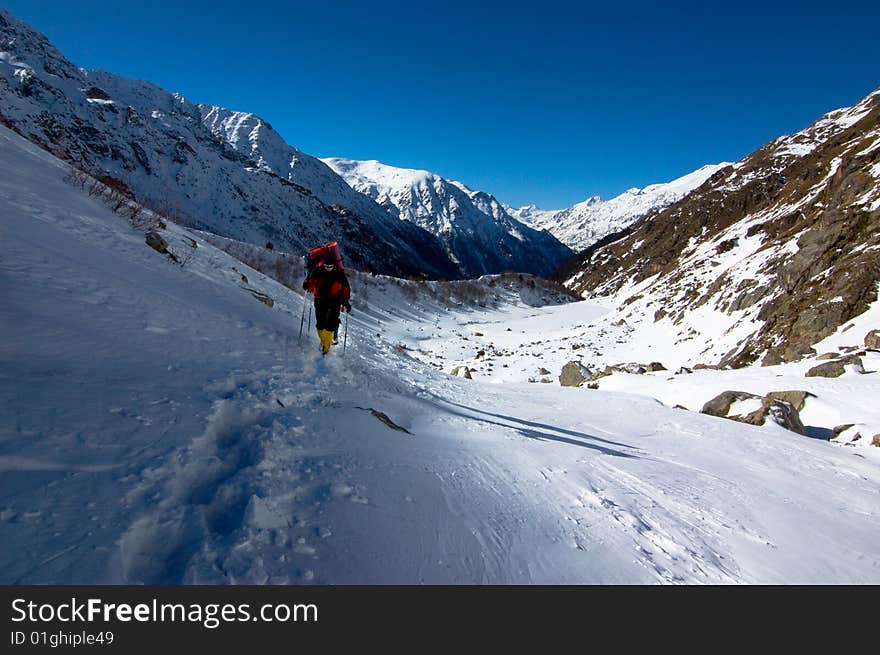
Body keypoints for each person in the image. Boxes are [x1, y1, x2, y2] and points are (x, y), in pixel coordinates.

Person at [302, 258, 351, 354]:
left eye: (331, 266)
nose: (329, 268)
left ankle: (326, 346)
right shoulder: (317, 271)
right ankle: (324, 341)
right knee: (320, 323)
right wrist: (307, 285)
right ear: (323, 265)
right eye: (327, 266)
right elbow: (311, 283)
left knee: (331, 323)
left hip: (335, 300)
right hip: (320, 299)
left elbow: (345, 288)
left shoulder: (339, 273)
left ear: (334, 266)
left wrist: (345, 302)